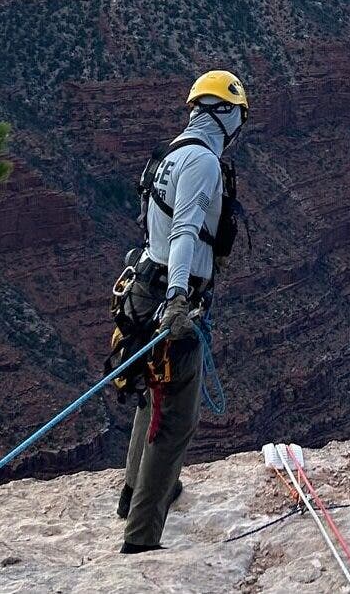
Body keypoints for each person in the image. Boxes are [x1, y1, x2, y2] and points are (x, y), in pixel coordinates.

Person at [117, 69, 248, 554]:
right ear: (228, 114)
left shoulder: (169, 154)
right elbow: (185, 232)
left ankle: (137, 493)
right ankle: (141, 538)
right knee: (176, 418)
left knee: (152, 396)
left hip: (144, 284)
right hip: (172, 296)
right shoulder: (203, 163)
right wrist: (177, 300)